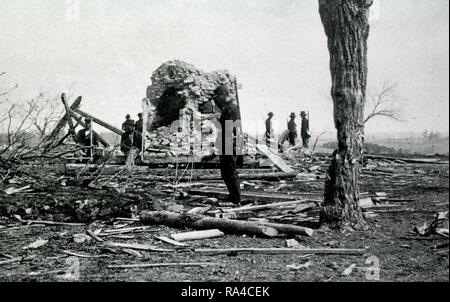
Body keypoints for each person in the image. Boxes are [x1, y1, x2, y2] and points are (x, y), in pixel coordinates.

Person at [204, 83, 241, 205]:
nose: (216, 100)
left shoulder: (231, 108)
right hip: (226, 143)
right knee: (225, 172)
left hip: (229, 143)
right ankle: (233, 196)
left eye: (217, 97)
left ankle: (235, 199)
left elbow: (229, 129)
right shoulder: (227, 108)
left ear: (223, 95)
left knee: (230, 171)